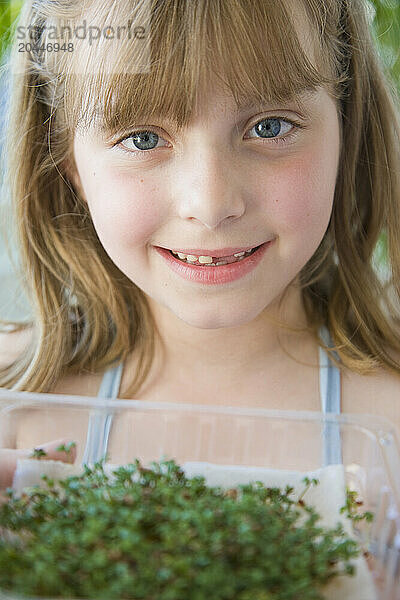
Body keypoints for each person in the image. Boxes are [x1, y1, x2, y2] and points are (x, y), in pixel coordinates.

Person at [0, 0, 400, 481]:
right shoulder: (12, 407)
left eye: (269, 127)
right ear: (69, 161)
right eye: (143, 139)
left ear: (347, 129)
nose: (211, 204)